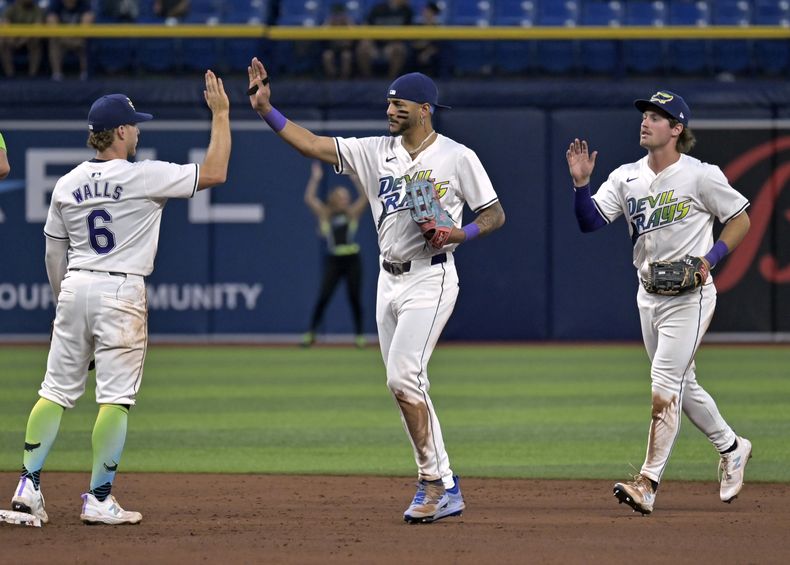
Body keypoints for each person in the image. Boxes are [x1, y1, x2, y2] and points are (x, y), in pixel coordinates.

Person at [248, 58, 505, 523]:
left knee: (403, 378)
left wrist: (459, 233)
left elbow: (494, 214)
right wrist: (268, 110)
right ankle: (447, 483)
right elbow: (312, 144)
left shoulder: (457, 156)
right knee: (407, 385)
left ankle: (432, 484)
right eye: (388, 103)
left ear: (424, 109)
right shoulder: (374, 151)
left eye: (399, 104)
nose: (390, 110)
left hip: (431, 275)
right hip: (388, 281)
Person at [10, 72, 230, 526]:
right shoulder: (143, 175)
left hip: (74, 286)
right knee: (114, 398)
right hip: (120, 290)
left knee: (54, 392)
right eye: (135, 126)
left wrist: (61, 301)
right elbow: (215, 172)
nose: (139, 132)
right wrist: (222, 115)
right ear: (122, 131)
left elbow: (53, 254)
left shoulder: (67, 183)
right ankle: (98, 498)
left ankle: (27, 486)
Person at [565, 90, 752, 515]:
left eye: (656, 116)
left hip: (691, 297)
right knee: (683, 386)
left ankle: (647, 483)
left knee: (664, 384)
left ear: (677, 129)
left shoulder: (701, 176)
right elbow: (589, 222)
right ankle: (732, 447)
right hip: (648, 294)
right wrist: (581, 184)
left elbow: (740, 218)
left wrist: (709, 259)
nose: (645, 121)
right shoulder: (625, 176)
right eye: (645, 115)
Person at [302, 161, 368, 348]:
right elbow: (309, 198)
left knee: (354, 297)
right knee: (324, 296)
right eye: (342, 196)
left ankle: (359, 336)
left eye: (346, 197)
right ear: (334, 198)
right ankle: (311, 333)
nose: (345, 199)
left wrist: (356, 179)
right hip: (334, 260)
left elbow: (365, 197)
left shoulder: (352, 214)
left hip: (352, 260)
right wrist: (315, 179)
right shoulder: (325, 214)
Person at [356, 0, 413, 78]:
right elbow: (366, 27)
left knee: (398, 48)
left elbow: (408, 33)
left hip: (395, 43)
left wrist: (394, 43)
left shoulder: (407, 11)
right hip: (376, 44)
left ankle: (391, 80)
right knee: (363, 47)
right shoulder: (378, 9)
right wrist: (370, 43)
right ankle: (367, 78)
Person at [46, 0, 95, 81]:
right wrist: (66, 38)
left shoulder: (84, 3)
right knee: (53, 42)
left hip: (78, 38)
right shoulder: (56, 3)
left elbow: (86, 26)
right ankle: (57, 73)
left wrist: (75, 37)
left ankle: (85, 73)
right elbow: (52, 24)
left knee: (87, 40)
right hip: (61, 38)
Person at [0, 0, 44, 78]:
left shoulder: (37, 9)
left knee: (35, 41)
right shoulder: (11, 8)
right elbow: (5, 25)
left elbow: (37, 28)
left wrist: (22, 40)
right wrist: (11, 39)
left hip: (29, 37)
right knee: (3, 42)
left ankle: (32, 74)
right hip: (13, 37)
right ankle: (10, 74)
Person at [321, 2, 355, 80]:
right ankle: (332, 77)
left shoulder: (348, 24)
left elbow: (352, 40)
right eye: (335, 15)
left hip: (345, 49)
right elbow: (322, 35)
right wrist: (328, 23)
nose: (338, 17)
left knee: (346, 56)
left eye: (340, 15)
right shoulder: (329, 23)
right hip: (331, 48)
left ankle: (344, 78)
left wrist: (348, 23)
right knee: (327, 56)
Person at [411, 1, 440, 76]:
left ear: (434, 13)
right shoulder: (418, 26)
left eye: (429, 11)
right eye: (425, 11)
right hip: (418, 51)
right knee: (411, 54)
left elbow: (437, 46)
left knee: (436, 56)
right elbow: (413, 43)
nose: (426, 13)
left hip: (431, 53)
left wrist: (427, 53)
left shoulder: (438, 27)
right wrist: (421, 45)